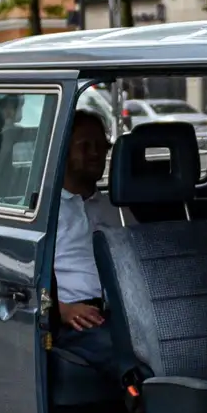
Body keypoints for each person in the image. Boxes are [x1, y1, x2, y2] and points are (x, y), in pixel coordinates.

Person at [52, 112, 116, 376]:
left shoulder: (116, 207)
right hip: (75, 318)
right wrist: (60, 311)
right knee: (124, 350)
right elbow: (25, 276)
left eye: (101, 147)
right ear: (64, 151)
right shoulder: (47, 212)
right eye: (85, 146)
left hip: (126, 313)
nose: (95, 154)